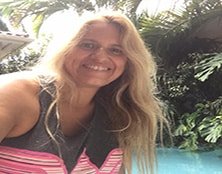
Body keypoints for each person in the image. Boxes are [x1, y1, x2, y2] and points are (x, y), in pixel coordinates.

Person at [0, 12, 166, 174]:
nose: (100, 57)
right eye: (88, 45)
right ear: (66, 49)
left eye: (116, 50)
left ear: (128, 61)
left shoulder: (120, 113)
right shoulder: (16, 95)